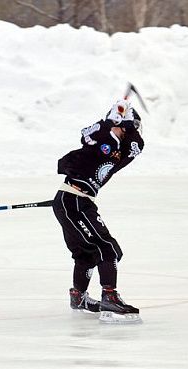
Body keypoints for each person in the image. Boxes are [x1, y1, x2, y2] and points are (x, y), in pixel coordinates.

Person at [52, 99, 144, 323]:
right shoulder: (100, 138)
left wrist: (123, 120)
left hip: (76, 201)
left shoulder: (119, 153)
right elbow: (86, 133)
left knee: (85, 253)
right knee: (107, 248)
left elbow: (137, 146)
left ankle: (79, 297)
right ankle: (109, 297)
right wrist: (110, 120)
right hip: (72, 200)